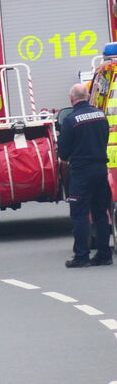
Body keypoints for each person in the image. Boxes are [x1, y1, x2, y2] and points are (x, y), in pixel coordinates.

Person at [57, 83, 113, 268]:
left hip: (81, 172)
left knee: (80, 214)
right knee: (101, 213)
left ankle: (81, 257)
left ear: (71, 98)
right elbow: (105, 138)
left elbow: (63, 154)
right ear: (88, 96)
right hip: (100, 169)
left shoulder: (71, 121)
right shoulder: (101, 115)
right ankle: (104, 255)